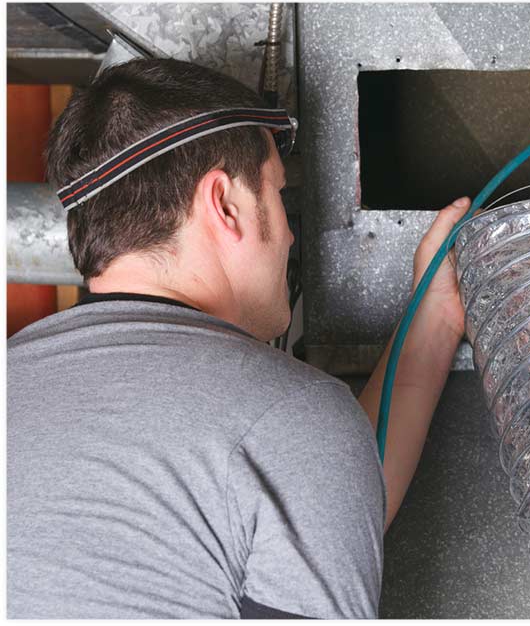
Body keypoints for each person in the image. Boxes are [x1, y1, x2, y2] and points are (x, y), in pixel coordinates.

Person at [7, 58, 470, 619]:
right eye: (276, 192)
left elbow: (312, 503)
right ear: (225, 204)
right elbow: (281, 462)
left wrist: (437, 317)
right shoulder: (289, 420)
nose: (291, 232)